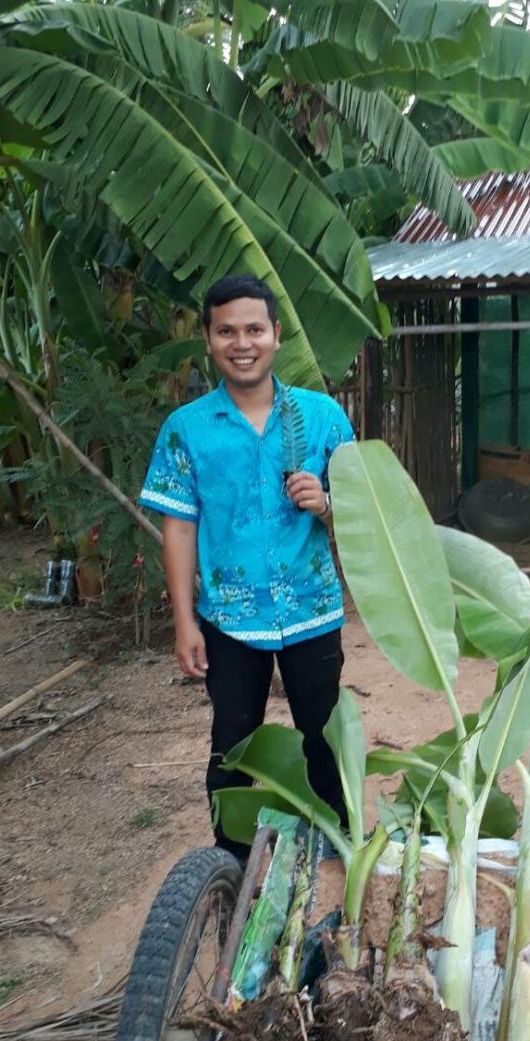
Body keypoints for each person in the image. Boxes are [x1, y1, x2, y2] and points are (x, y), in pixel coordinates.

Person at [138, 274, 352, 862]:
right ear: (208, 339)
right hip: (229, 620)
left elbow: (362, 512)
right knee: (232, 744)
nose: (242, 343)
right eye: (226, 331)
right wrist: (184, 622)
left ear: (276, 334)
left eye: (254, 329)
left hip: (311, 609)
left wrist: (326, 503)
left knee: (325, 740)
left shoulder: (321, 417)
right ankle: (229, 862)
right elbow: (179, 528)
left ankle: (337, 852)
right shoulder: (186, 430)